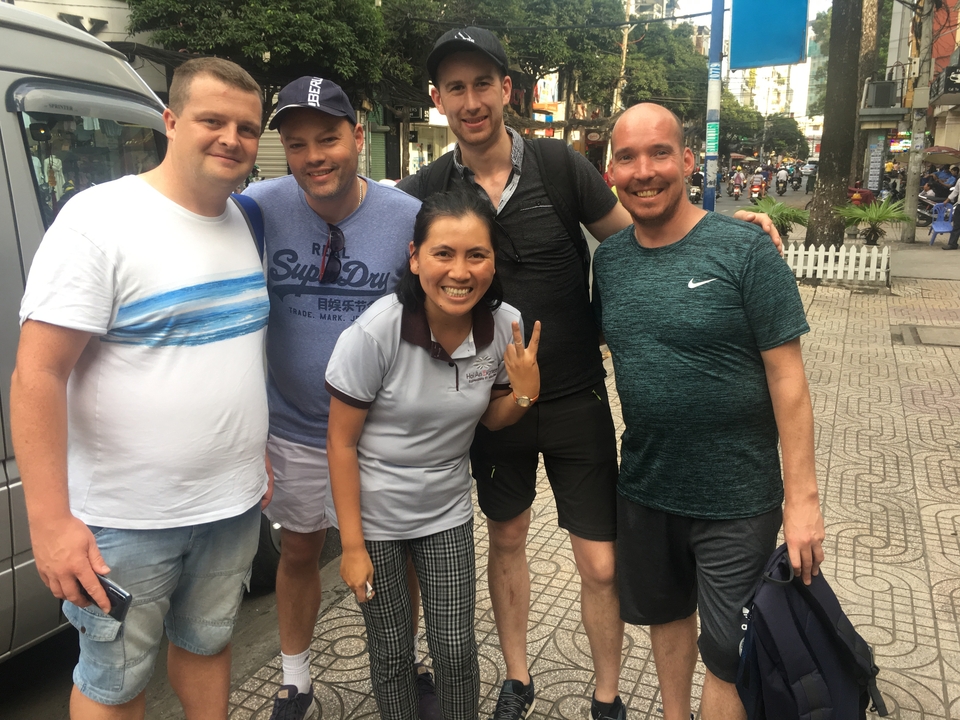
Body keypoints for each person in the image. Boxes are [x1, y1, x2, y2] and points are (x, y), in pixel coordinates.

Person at [397, 25, 782, 720]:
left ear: (507, 89)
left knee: (600, 565)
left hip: (577, 400)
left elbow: (645, 234)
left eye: (484, 83)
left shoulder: (556, 164)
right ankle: (518, 681)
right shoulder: (423, 188)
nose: (472, 100)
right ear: (438, 99)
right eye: (456, 87)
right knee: (507, 539)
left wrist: (725, 229)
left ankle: (607, 697)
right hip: (493, 408)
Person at [10, 57, 271, 719]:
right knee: (115, 680)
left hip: (232, 506)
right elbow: (37, 373)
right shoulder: (100, 222)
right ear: (171, 120)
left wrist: (254, 451)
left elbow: (234, 354)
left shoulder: (243, 222)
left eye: (247, 126)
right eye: (213, 120)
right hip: (126, 523)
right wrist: (50, 523)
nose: (231, 139)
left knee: (209, 644)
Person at [594, 102, 825, 720]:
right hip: (646, 484)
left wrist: (802, 499)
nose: (645, 171)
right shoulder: (609, 263)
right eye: (628, 157)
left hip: (737, 495)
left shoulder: (745, 248)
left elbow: (788, 377)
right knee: (666, 620)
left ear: (689, 161)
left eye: (660, 153)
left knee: (726, 651)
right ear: (610, 169)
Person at [241, 76, 428, 720]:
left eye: (328, 138)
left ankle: (406, 668)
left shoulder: (408, 216)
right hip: (292, 426)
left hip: (382, 433)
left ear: (357, 136)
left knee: (395, 558)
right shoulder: (258, 209)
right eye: (297, 144)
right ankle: (295, 678)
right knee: (299, 549)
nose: (315, 156)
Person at [325, 189, 541, 720]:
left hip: (445, 509)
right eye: (443, 253)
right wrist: (351, 547)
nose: (460, 271)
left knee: (455, 648)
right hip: (373, 519)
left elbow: (491, 419)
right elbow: (340, 442)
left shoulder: (505, 326)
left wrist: (524, 393)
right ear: (415, 256)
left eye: (476, 255)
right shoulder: (378, 332)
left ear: (494, 260)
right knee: (393, 651)